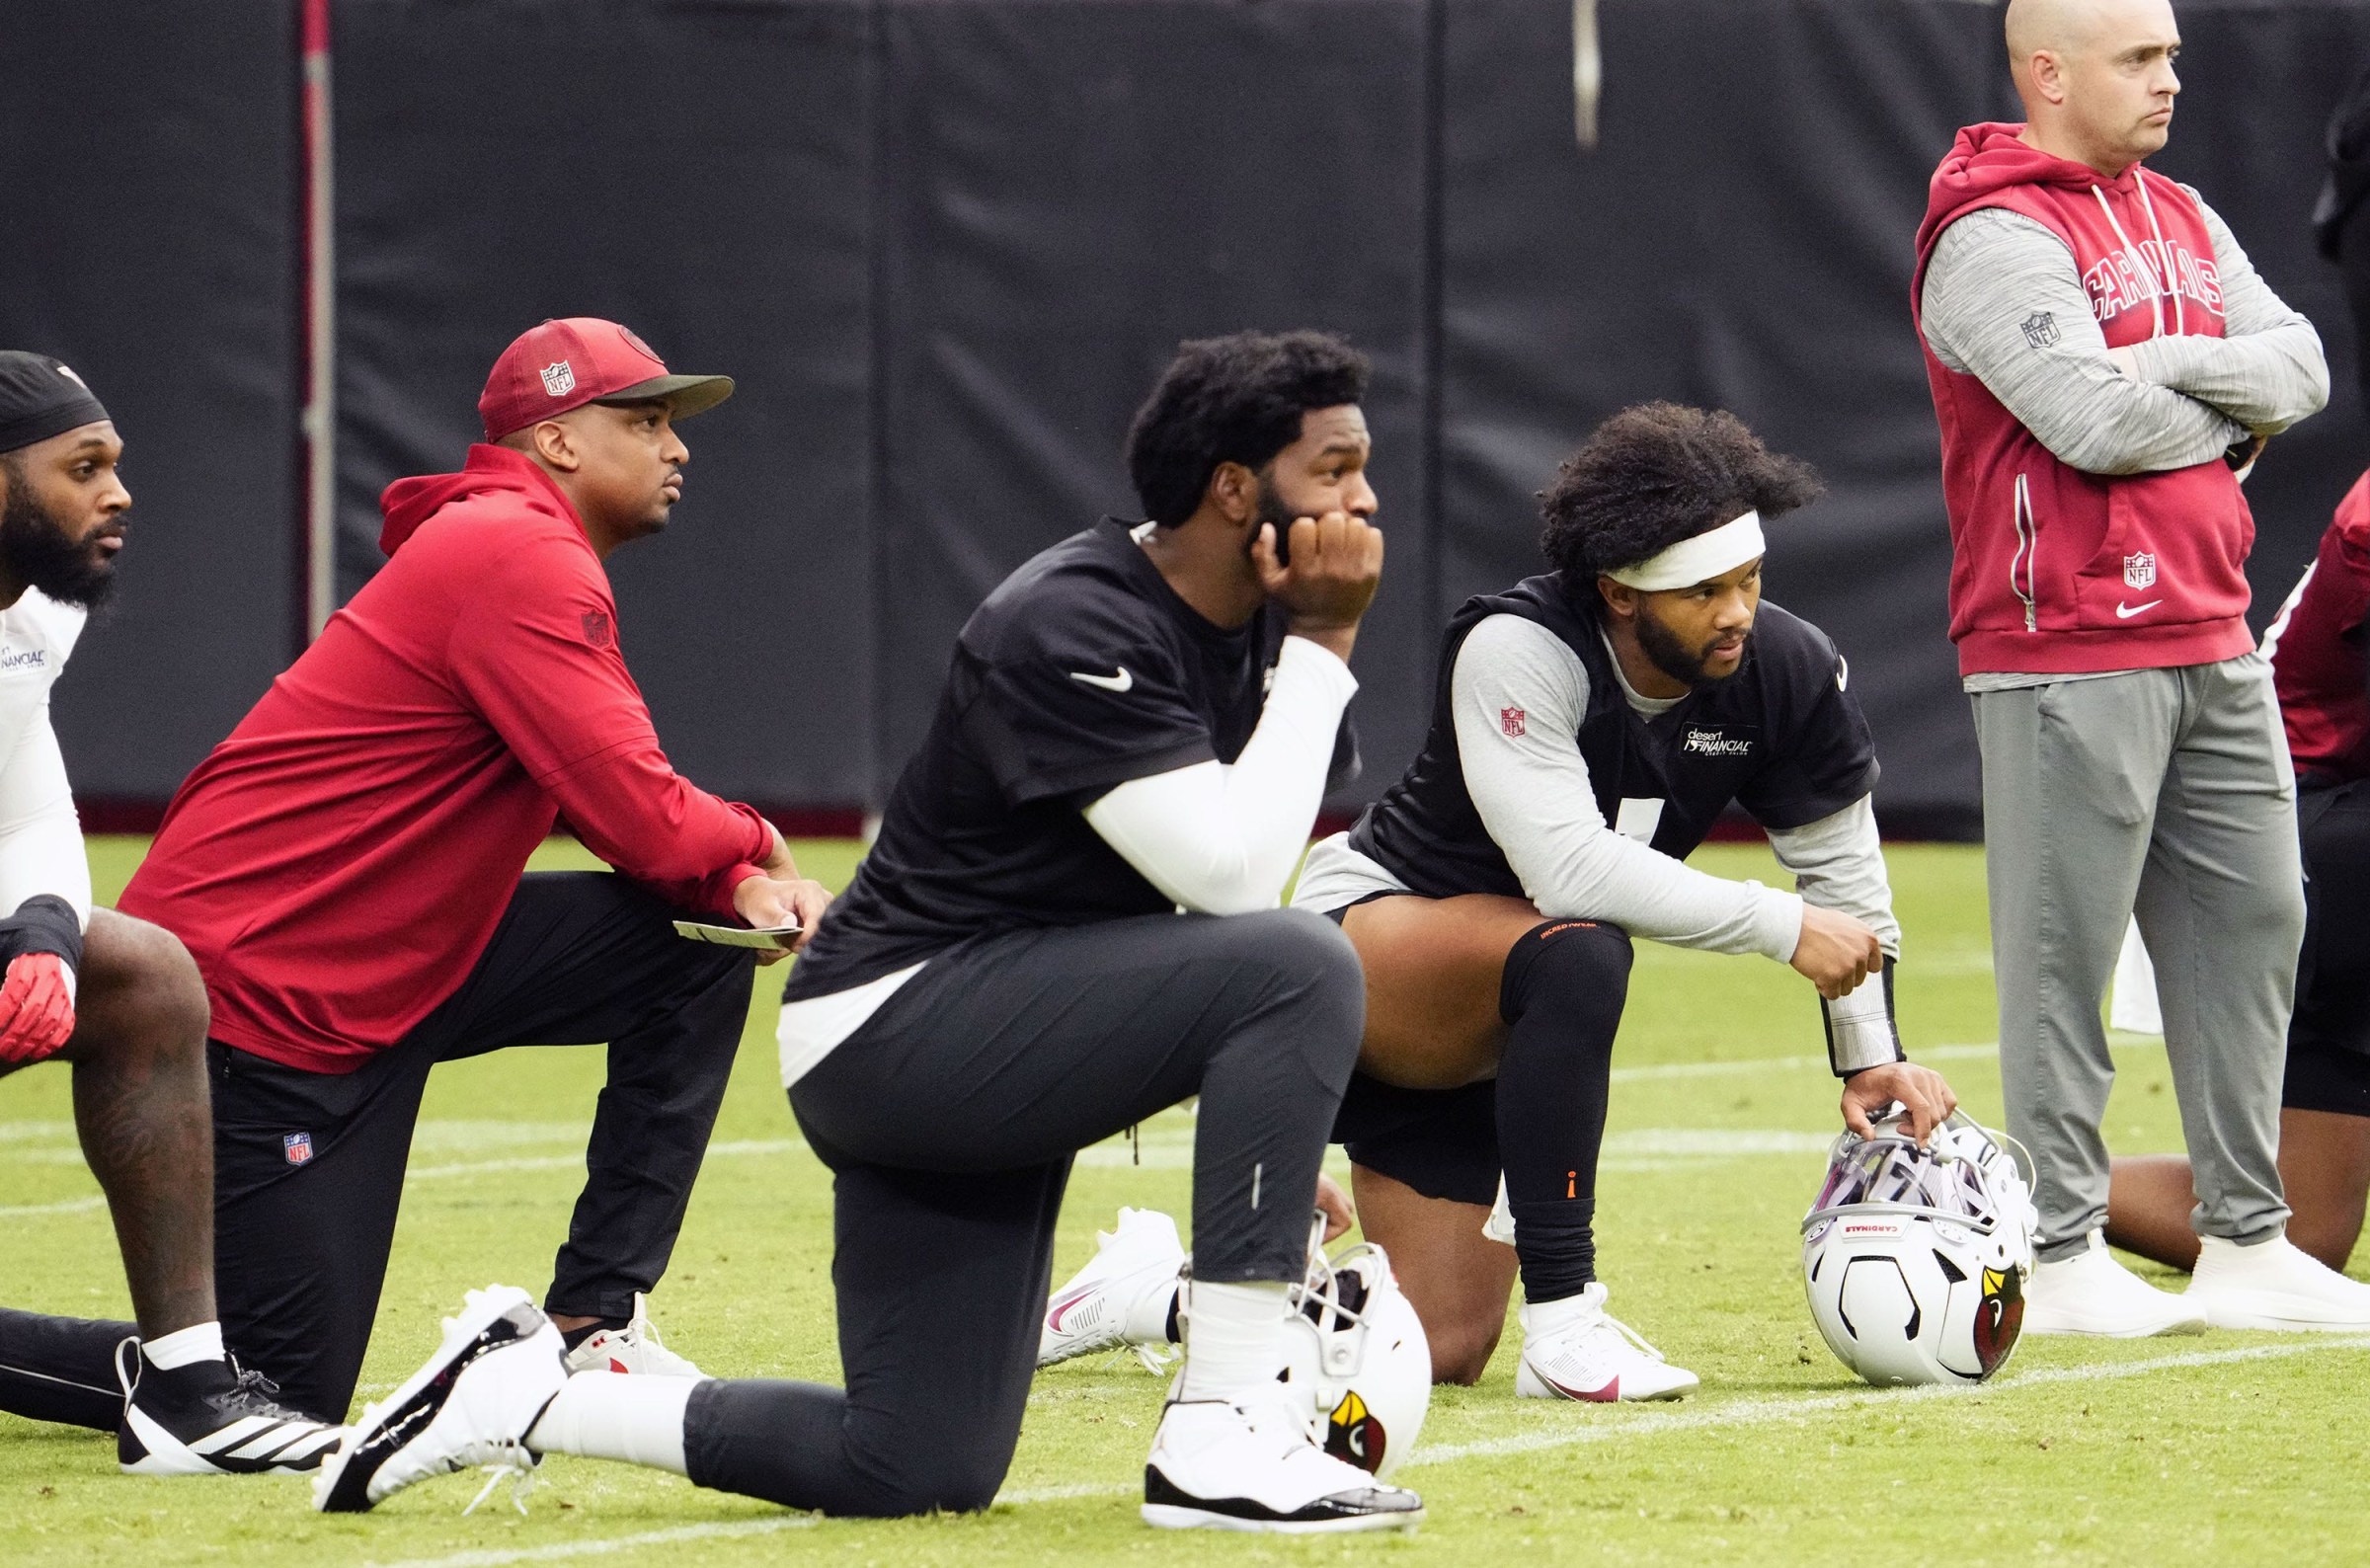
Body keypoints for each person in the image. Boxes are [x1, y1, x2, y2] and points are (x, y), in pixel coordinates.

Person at [313, 329, 1422, 1532]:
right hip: (894, 1029)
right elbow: (1229, 886)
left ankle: (522, 1394)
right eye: (1336, 468)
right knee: (1303, 960)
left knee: (915, 1464)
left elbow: (1195, 914)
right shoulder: (1076, 619)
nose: (1364, 501)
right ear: (1232, 487)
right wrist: (1324, 648)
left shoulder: (1250, 635)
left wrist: (1254, 1124)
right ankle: (1225, 1432)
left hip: (981, 1027)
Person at [0, 319, 832, 1432]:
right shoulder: (514, 550)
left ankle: (595, 1326)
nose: (677, 447)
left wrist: (724, 880)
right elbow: (630, 803)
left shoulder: (517, 540)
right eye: (646, 420)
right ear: (560, 442)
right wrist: (749, 849)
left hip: (395, 962)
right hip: (268, 1002)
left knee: (684, 952)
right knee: (269, 1390)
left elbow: (628, 806)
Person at [1039, 404, 1958, 1396]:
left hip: (1511, 1021)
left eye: (1749, 580)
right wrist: (1780, 926)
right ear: (1617, 592)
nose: (1736, 610)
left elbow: (1847, 879)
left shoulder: (1784, 667)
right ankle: (1568, 1327)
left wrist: (1872, 1055)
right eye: (1702, 591)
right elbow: (1571, 869)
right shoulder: (1518, 646)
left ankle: (1152, 1290)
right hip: (1374, 954)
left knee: (1435, 1345)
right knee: (1583, 945)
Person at [1914, 0, 2365, 1335]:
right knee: (2062, 949)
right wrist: (2220, 405)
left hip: (2211, 629)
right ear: (2049, 74)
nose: (2173, 78)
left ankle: (2247, 1237)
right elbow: (2086, 418)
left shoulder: (2176, 211)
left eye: (2171, 54)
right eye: (2141, 59)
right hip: (2061, 638)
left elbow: (2306, 368)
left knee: (2255, 923)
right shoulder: (1989, 232)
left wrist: (2167, 363)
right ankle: (2056, 1248)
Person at [0, 352, 340, 1473]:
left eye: (119, 464)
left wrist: (43, 929)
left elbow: (28, 799)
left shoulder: (39, 609)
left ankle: (188, 1388)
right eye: (83, 466)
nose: (120, 492)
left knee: (143, 977)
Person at [2107, 472, 2370, 1276]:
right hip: (2287, 838)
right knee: (2295, 1230)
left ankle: (2026, 1181)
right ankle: (2020, 1187)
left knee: (2308, 1231)